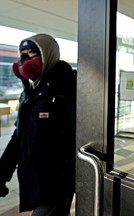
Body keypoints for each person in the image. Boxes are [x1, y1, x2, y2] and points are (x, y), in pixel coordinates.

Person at [0, 34, 76, 215]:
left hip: (57, 181)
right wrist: (2, 173)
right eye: (22, 54)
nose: (24, 59)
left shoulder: (67, 87)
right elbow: (19, 137)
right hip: (34, 178)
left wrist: (68, 177)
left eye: (32, 54)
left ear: (47, 55)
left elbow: (77, 134)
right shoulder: (29, 92)